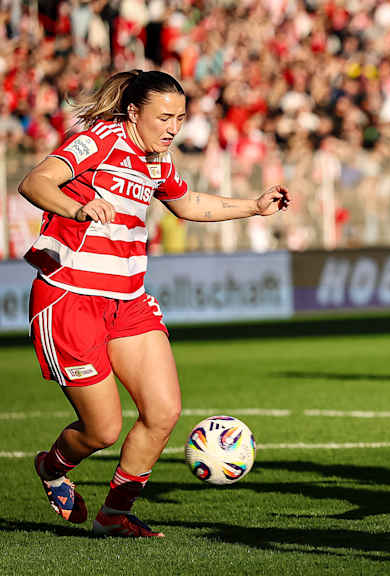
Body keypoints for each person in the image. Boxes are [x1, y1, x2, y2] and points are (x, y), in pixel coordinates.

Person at [18, 69, 291, 537]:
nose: (172, 128)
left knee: (162, 412)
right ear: (132, 112)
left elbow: (188, 205)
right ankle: (52, 467)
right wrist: (77, 207)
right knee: (101, 431)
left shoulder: (157, 161)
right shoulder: (97, 141)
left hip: (128, 301)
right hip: (70, 299)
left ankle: (113, 516)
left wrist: (255, 206)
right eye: (164, 117)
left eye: (180, 118)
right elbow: (35, 183)